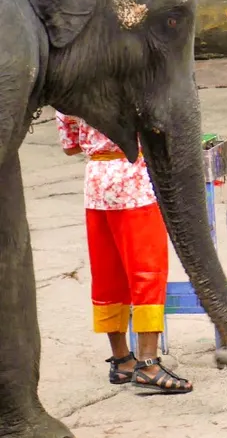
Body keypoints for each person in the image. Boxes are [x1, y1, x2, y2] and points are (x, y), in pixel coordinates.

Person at [57, 113, 193, 394]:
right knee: (147, 271)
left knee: (109, 274)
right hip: (134, 182)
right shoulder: (129, 80)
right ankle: (148, 363)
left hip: (96, 184)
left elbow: (69, 146)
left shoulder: (72, 89)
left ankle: (121, 359)